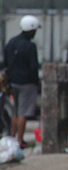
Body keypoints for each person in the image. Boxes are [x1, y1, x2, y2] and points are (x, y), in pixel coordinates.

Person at [3, 16, 41, 147]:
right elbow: (33, 67)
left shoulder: (11, 42)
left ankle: (12, 138)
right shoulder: (30, 46)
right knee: (23, 113)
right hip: (27, 84)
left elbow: (5, 63)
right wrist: (36, 82)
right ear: (32, 30)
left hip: (12, 83)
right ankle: (20, 140)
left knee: (15, 112)